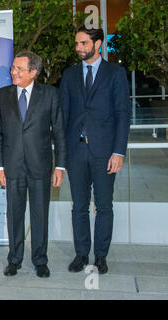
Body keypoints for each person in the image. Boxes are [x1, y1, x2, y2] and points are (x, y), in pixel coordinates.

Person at [60, 26, 130, 274]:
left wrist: (118, 152)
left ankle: (101, 255)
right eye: (77, 43)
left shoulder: (115, 74)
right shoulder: (69, 75)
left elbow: (123, 115)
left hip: (104, 153)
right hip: (76, 152)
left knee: (104, 206)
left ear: (97, 43)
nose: (78, 48)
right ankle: (81, 254)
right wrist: (62, 156)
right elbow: (64, 117)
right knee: (78, 206)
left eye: (83, 43)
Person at [0, 51, 67, 278]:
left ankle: (40, 260)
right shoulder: (2, 95)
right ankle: (14, 259)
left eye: (19, 69)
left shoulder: (50, 95)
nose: (13, 72)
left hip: (40, 166)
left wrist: (60, 166)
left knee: (40, 214)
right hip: (12, 166)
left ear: (33, 72)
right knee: (14, 214)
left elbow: (60, 132)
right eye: (13, 68)